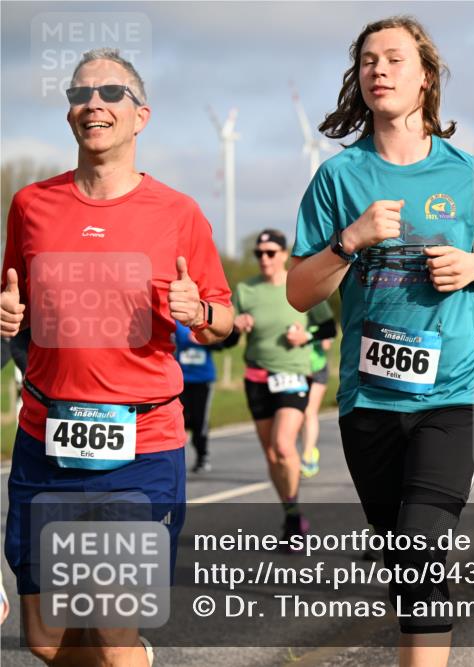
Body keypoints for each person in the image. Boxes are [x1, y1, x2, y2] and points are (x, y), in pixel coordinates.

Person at [286, 16, 474, 665]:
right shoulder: (339, 180)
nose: (379, 70)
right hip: (370, 401)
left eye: (394, 59)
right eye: (368, 60)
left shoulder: (464, 172)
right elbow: (301, 291)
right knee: (404, 559)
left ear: (425, 78)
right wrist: (350, 240)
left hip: (454, 390)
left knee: (422, 543)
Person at [1, 48, 233, 665]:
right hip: (44, 438)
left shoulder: (178, 213)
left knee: (109, 629)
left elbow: (225, 321)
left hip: (142, 446)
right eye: (80, 95)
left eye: (110, 93)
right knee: (46, 641)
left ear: (141, 116)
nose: (93, 104)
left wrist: (200, 313)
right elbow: (12, 315)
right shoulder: (29, 206)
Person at [232, 229, 336, 544]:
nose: (264, 258)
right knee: (272, 456)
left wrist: (307, 336)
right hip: (256, 377)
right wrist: (236, 328)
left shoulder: (299, 283)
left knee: (283, 445)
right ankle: (291, 512)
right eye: (259, 253)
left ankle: (292, 514)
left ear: (282, 254)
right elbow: (228, 339)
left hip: (293, 374)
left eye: (270, 252)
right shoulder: (245, 290)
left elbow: (329, 326)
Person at [174, 320, 238, 473]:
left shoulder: (202, 319)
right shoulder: (175, 322)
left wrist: (203, 339)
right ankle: (175, 459)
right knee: (179, 419)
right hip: (180, 379)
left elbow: (221, 343)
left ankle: (202, 456)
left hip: (202, 380)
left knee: (199, 420)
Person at [300, 319, 337, 478]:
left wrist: (314, 338)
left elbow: (327, 344)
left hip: (317, 369)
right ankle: (308, 448)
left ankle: (308, 457)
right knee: (299, 415)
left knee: (309, 412)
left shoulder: (321, 317)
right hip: (297, 370)